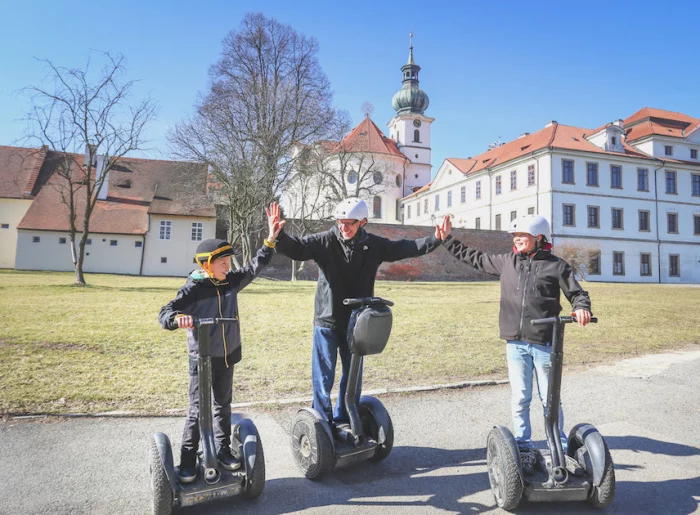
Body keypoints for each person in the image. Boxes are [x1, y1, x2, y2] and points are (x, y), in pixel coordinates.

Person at [437, 213, 592, 474]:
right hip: (515, 344)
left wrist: (581, 308)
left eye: (523, 236)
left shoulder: (556, 266)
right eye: (515, 236)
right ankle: (523, 446)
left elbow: (577, 293)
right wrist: (446, 240)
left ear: (539, 238)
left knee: (550, 400)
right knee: (521, 397)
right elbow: (473, 257)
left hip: (544, 343)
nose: (517, 240)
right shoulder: (506, 262)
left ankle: (559, 448)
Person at [270, 198, 444, 428]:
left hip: (357, 321)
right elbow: (298, 249)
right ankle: (322, 423)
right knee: (323, 377)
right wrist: (279, 236)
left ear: (362, 222)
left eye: (349, 223)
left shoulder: (374, 245)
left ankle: (344, 418)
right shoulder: (325, 240)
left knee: (352, 377)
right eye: (340, 222)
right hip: (327, 319)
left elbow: (405, 248)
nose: (343, 228)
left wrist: (436, 239)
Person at [158, 203, 285, 484]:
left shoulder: (229, 282)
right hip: (201, 359)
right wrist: (176, 319)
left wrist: (270, 239)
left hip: (227, 356)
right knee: (197, 410)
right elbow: (166, 311)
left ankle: (223, 449)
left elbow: (255, 266)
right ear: (206, 265)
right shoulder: (193, 288)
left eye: (229, 263)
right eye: (223, 264)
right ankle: (188, 461)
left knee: (223, 406)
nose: (229, 268)